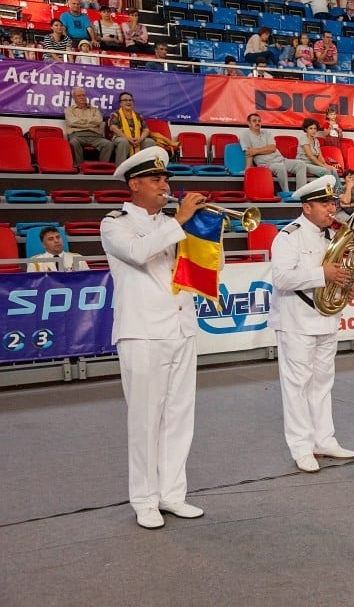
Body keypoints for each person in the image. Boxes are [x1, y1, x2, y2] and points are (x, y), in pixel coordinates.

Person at [100, 147, 208, 529]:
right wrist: (180, 220)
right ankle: (144, 498)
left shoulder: (176, 222)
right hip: (143, 333)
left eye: (166, 179)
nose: (165, 185)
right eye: (157, 179)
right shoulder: (115, 223)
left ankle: (172, 493)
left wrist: (206, 234)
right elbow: (138, 254)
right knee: (146, 419)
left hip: (181, 326)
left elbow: (204, 269)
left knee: (180, 416)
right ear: (135, 185)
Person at [269, 176, 354, 473]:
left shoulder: (330, 237)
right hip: (296, 321)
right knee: (297, 386)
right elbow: (281, 278)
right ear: (307, 207)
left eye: (333, 202)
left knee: (323, 383)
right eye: (325, 203)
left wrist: (345, 285)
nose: (331, 208)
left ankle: (325, 439)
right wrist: (323, 274)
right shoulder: (288, 236)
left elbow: (336, 272)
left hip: (325, 319)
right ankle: (301, 446)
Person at [239, 113, 307, 192]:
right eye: (254, 121)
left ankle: (301, 193)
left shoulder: (267, 133)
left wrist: (255, 150)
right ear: (248, 123)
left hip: (281, 159)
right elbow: (249, 153)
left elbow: (272, 148)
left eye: (259, 121)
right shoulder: (245, 135)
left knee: (301, 164)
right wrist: (248, 169)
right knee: (280, 167)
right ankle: (286, 193)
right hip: (267, 164)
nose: (257, 123)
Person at [65, 87, 114, 165]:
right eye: (79, 95)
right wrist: (90, 122)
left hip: (95, 136)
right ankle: (80, 166)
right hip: (77, 135)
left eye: (83, 95)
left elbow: (98, 121)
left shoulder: (94, 109)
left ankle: (102, 166)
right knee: (73, 142)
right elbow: (72, 122)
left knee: (109, 144)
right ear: (74, 98)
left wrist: (80, 122)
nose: (82, 97)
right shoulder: (69, 110)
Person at [108, 93, 155, 163]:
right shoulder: (116, 114)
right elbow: (113, 128)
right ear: (120, 103)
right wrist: (128, 139)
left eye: (130, 100)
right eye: (125, 100)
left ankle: (145, 168)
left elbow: (146, 129)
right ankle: (120, 169)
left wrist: (140, 139)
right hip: (121, 138)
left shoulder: (138, 116)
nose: (128, 102)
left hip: (137, 139)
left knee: (150, 142)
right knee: (123, 142)